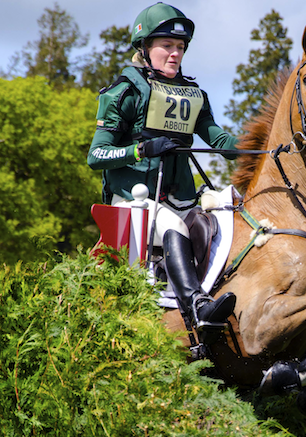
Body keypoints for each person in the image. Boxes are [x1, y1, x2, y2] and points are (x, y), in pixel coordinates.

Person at [87, 2, 237, 332]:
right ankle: (198, 307)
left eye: (180, 47)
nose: (175, 54)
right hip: (134, 206)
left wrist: (251, 151)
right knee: (173, 225)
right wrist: (141, 149)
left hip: (184, 201)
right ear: (145, 48)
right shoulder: (125, 92)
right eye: (166, 46)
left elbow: (216, 136)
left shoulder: (192, 94)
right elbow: (96, 155)